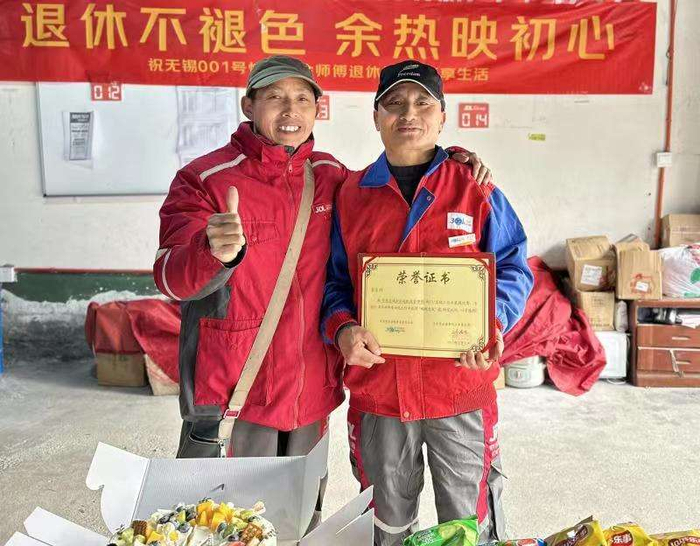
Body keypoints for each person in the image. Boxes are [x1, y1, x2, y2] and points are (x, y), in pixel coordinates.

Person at [153, 54, 491, 522]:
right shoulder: (206, 179)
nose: (290, 111)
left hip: (309, 392)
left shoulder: (331, 177)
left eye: (302, 99)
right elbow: (170, 277)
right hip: (235, 392)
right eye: (275, 98)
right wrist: (211, 251)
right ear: (248, 105)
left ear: (317, 109)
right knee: (222, 525)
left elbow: (395, 185)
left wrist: (448, 161)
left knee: (298, 521)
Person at [321, 60, 534, 545]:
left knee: (468, 524)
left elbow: (514, 268)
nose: (408, 114)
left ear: (442, 117)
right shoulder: (351, 195)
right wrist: (343, 328)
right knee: (386, 522)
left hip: (458, 387)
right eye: (394, 103)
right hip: (380, 391)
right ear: (376, 117)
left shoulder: (475, 188)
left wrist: (491, 323)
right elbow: (334, 282)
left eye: (423, 103)